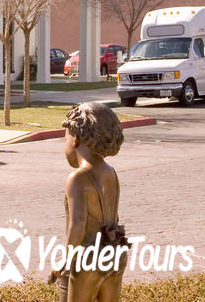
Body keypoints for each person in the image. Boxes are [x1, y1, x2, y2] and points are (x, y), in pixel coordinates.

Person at [50, 102, 126, 302]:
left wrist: (66, 260)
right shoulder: (111, 172)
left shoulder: (77, 178)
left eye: (65, 137)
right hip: (115, 252)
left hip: (88, 258)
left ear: (75, 138)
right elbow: (114, 218)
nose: (65, 142)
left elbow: (78, 223)